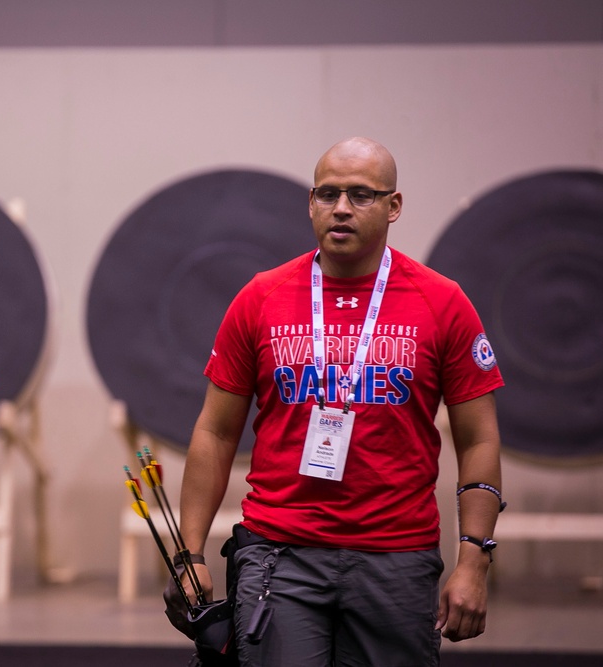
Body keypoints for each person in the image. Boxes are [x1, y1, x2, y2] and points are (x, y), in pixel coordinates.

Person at [168, 137, 504, 666]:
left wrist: (474, 560)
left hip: (397, 557)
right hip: (280, 554)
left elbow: (479, 438)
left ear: (394, 206)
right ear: (310, 202)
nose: (341, 207)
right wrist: (189, 553)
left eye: (362, 195)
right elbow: (215, 431)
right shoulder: (261, 297)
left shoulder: (443, 302)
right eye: (328, 193)